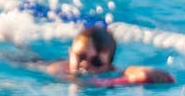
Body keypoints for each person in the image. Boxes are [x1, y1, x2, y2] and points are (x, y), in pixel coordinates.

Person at [42, 26, 175, 87]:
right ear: (70, 53)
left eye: (97, 62)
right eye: (80, 56)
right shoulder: (57, 69)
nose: (85, 65)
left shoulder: (111, 73)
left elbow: (127, 72)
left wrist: (145, 72)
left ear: (109, 66)